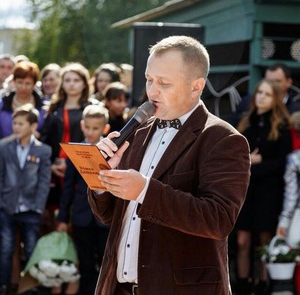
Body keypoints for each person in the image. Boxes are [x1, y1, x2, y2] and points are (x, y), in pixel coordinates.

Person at [87, 35, 250, 295]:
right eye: (149, 79)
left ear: (197, 86)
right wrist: (103, 179)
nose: (152, 91)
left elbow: (218, 219)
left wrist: (144, 191)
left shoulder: (223, 139)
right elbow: (108, 215)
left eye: (164, 83)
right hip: (117, 287)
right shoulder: (139, 130)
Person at [235, 79, 292, 294]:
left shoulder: (281, 127)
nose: (261, 97)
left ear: (275, 98)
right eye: (259, 92)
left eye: (267, 94)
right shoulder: (245, 122)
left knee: (264, 241)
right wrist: (248, 161)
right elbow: (235, 157)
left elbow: (282, 163)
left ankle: (261, 285)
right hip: (246, 191)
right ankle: (242, 284)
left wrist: (255, 164)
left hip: (268, 192)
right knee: (242, 240)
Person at [56, 104, 110, 295]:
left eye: (96, 128)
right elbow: (68, 187)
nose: (90, 131)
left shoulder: (113, 150)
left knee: (105, 259)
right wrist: (63, 218)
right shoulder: (75, 151)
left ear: (105, 128)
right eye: (87, 127)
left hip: (105, 219)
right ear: (81, 125)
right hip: (81, 216)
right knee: (85, 261)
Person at [0, 103, 52, 295]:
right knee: (5, 250)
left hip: (31, 208)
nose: (16, 127)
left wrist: (38, 207)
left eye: (21, 123)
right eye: (15, 123)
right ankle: (4, 286)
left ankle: (32, 288)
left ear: (33, 126)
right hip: (8, 207)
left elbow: (44, 181)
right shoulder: (4, 147)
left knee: (31, 249)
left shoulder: (43, 151)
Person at [229, 63, 300, 127]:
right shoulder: (247, 103)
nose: (271, 85)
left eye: (277, 81)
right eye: (268, 81)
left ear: (289, 82)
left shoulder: (295, 111)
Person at [0, 61, 45, 140]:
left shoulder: (44, 108)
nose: (23, 87)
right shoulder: (2, 105)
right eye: (20, 82)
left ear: (34, 84)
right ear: (14, 82)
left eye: (28, 83)